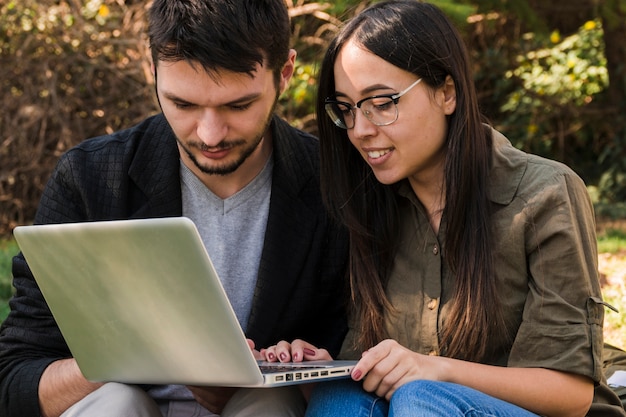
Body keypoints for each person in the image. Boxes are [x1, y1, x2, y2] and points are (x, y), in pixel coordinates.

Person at [260, 1, 626, 416]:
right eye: (346, 109)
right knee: (340, 396)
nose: (360, 130)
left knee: (421, 399)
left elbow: (571, 396)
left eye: (382, 102)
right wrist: (322, 370)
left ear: (447, 93)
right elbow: (377, 375)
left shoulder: (545, 195)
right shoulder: (373, 205)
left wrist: (435, 370)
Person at [0, 1, 349, 417]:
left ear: (285, 73)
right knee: (117, 402)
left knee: (268, 403)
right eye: (183, 105)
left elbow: (359, 363)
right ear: (153, 72)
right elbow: (14, 378)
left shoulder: (336, 186)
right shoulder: (89, 178)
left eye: (238, 106)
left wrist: (303, 371)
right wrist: (135, 353)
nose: (210, 134)